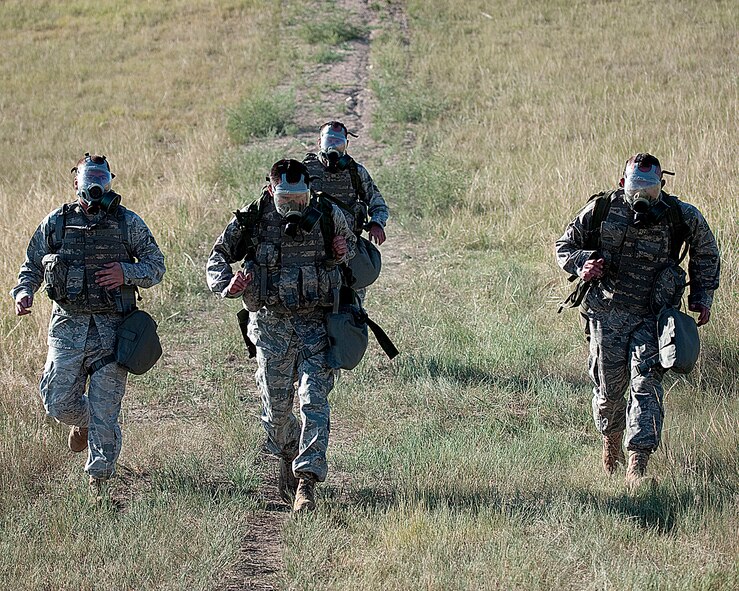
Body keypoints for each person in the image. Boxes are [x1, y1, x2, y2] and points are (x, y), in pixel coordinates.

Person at [555, 153, 720, 489]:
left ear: (662, 184)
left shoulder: (680, 215)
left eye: (650, 186)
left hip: (653, 318)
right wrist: (582, 263)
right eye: (636, 185)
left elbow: (706, 250)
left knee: (646, 386)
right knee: (610, 391)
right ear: (622, 183)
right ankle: (611, 444)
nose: (643, 193)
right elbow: (564, 245)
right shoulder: (602, 209)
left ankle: (637, 466)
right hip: (607, 314)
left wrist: (702, 295)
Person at [11, 153, 165, 500]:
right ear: (76, 182)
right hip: (67, 328)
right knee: (55, 400)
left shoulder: (128, 223)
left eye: (102, 178)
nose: (96, 184)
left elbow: (156, 266)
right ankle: (88, 423)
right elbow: (31, 264)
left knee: (106, 411)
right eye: (88, 178)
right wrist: (24, 292)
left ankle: (99, 485)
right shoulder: (58, 222)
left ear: (111, 181)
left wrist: (125, 272)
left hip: (115, 332)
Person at [206, 158, 356, 512]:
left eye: (300, 199)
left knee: (313, 401)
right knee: (276, 412)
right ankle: (288, 455)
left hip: (317, 327)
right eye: (287, 199)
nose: (294, 206)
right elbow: (218, 256)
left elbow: (352, 252)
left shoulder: (327, 213)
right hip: (271, 329)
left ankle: (307, 481)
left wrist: (342, 250)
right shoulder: (253, 218)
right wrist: (228, 284)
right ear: (271, 189)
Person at [303, 121, 388, 292]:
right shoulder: (305, 170)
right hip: (312, 247)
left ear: (346, 145)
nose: (333, 146)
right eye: (329, 141)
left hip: (348, 246)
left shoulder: (356, 172)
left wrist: (377, 223)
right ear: (319, 143)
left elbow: (378, 203)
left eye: (338, 142)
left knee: (351, 302)